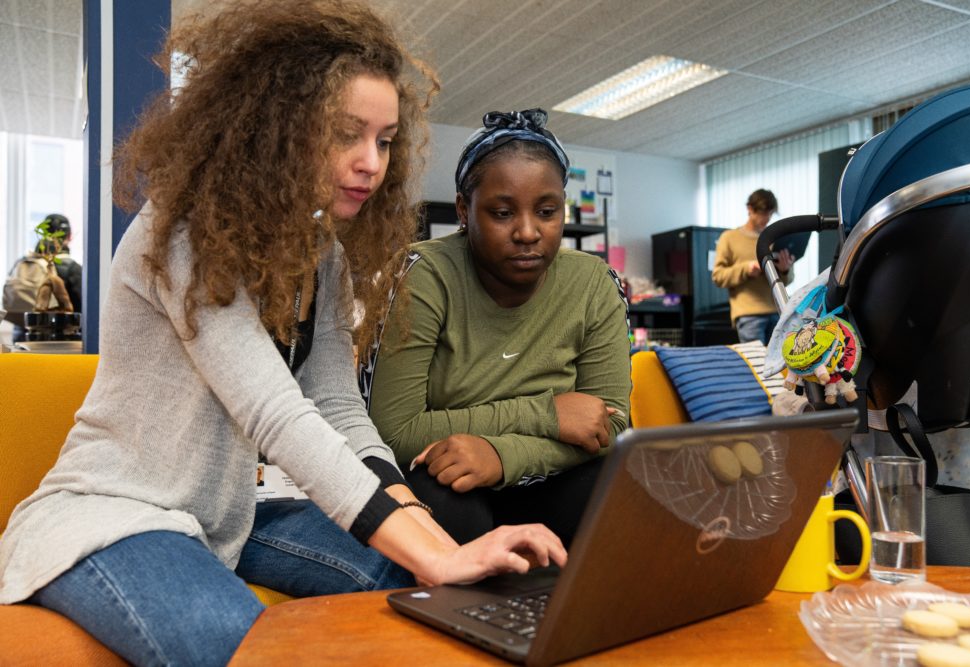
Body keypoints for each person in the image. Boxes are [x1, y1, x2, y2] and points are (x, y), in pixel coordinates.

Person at [0, 4, 565, 665]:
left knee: (420, 583)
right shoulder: (180, 232)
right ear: (279, 126)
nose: (370, 163)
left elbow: (338, 405)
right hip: (114, 514)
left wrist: (410, 510)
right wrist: (437, 551)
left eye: (384, 140)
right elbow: (276, 412)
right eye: (345, 135)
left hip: (230, 514)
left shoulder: (323, 256)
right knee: (253, 646)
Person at [362, 109, 631, 546]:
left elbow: (609, 426)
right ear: (464, 210)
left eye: (547, 211)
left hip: (545, 474)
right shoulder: (421, 276)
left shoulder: (594, 283)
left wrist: (502, 456)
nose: (528, 232)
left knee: (625, 485)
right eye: (502, 213)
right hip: (449, 479)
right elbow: (394, 433)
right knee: (444, 502)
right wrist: (548, 414)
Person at [711, 188, 794, 344]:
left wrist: (785, 270)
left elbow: (788, 280)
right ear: (750, 209)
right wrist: (747, 269)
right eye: (763, 213)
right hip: (749, 315)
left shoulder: (773, 238)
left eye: (770, 214)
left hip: (778, 312)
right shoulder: (729, 238)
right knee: (757, 365)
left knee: (782, 364)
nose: (767, 218)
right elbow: (718, 276)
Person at [2, 213, 82, 341]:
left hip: (22, 339)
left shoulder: (22, 262)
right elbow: (84, 310)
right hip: (56, 343)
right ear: (69, 236)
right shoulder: (73, 269)